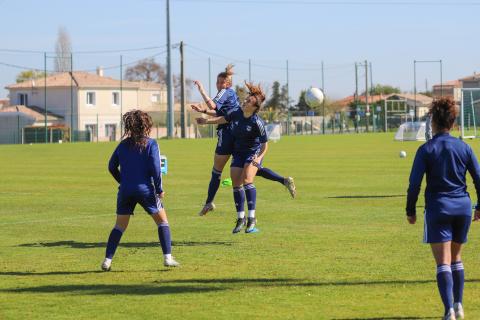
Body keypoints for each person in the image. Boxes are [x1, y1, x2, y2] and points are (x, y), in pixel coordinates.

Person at [406, 97, 480, 320]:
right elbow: (479, 178)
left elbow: (414, 184)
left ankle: (448, 310)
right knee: (456, 258)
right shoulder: (464, 146)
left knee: (443, 262)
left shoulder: (426, 149)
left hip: (439, 209)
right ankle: (459, 305)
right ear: (453, 122)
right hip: (463, 209)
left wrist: (410, 210)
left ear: (433, 121)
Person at [191, 64, 296, 217]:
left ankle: (209, 203)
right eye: (218, 82)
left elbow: (216, 108)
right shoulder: (232, 95)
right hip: (238, 132)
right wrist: (205, 112)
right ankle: (283, 180)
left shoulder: (224, 92)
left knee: (217, 171)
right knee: (249, 168)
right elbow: (225, 113)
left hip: (228, 134)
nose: (219, 85)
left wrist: (201, 90)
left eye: (222, 82)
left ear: (228, 83)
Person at [102, 110, 179, 271]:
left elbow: (111, 167)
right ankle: (168, 258)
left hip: (125, 191)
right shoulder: (151, 144)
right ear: (146, 125)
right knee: (162, 222)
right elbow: (156, 169)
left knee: (119, 227)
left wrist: (123, 182)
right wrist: (159, 189)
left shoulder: (123, 144)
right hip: (146, 190)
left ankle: (107, 260)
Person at [197, 82, 269, 234]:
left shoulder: (257, 122)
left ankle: (252, 218)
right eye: (246, 99)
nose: (245, 101)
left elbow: (265, 145)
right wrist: (206, 121)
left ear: (254, 107)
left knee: (247, 180)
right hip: (238, 153)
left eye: (248, 101)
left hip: (253, 153)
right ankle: (240, 218)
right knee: (236, 184)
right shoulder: (236, 112)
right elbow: (222, 119)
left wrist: (259, 157)